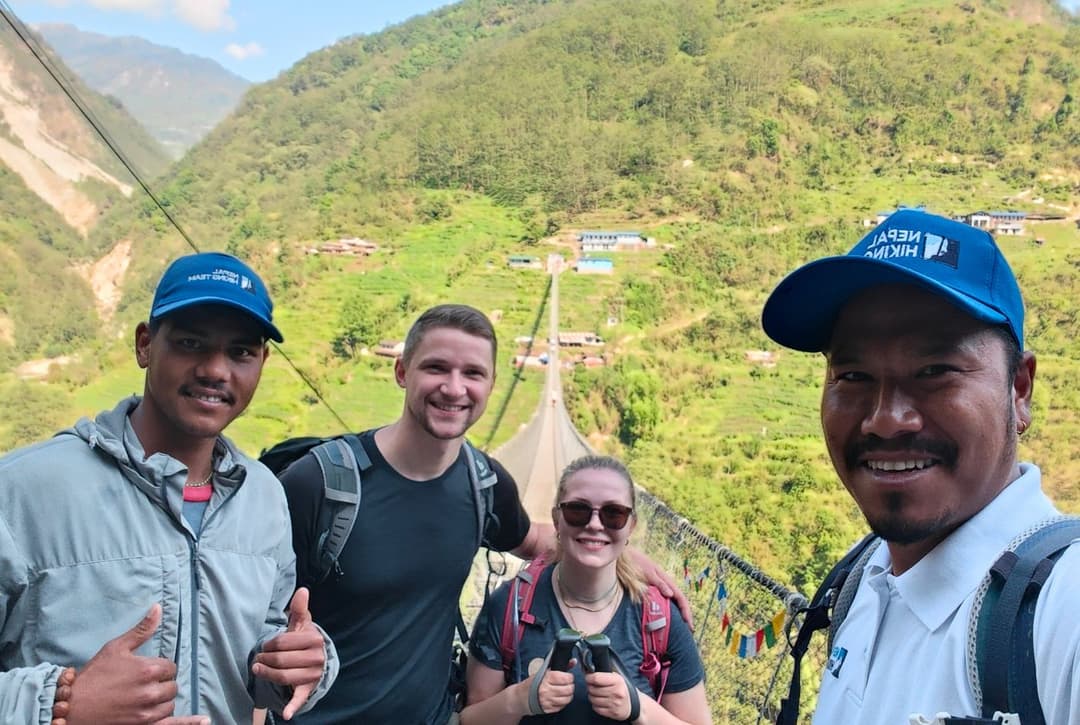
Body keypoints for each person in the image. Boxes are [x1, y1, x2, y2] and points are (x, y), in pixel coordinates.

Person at [278, 303, 691, 724]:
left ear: (491, 385)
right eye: (436, 367)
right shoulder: (320, 484)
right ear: (402, 372)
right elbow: (255, 629)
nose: (454, 388)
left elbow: (534, 540)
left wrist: (618, 553)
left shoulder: (483, 484)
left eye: (473, 373)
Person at [761, 209, 1080, 723]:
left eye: (934, 370)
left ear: (1019, 389)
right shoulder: (865, 577)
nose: (886, 420)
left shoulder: (1061, 611)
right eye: (854, 375)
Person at [0, 252, 338, 724]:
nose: (215, 370)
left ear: (262, 362)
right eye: (190, 343)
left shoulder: (263, 495)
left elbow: (260, 650)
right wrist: (60, 704)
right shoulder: (23, 490)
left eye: (240, 352)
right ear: (145, 345)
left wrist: (295, 664)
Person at [461, 455, 710, 724]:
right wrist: (520, 699)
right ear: (557, 519)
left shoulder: (658, 620)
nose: (594, 524)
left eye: (613, 514)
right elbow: (470, 718)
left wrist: (639, 708)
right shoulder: (510, 606)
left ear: (631, 526)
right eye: (578, 510)